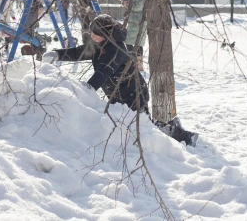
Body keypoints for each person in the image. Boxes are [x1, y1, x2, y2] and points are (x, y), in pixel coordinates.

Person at [41, 14, 197, 147]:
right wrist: (58, 54)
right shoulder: (100, 43)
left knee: (144, 126)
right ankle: (174, 127)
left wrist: (88, 89)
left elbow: (104, 71)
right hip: (116, 94)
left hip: (133, 92)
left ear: (105, 33)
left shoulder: (116, 49)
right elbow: (79, 52)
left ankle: (185, 136)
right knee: (135, 125)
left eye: (95, 32)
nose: (91, 35)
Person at [122, 0, 147, 71]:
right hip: (133, 19)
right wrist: (126, 2)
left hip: (139, 19)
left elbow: (138, 6)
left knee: (138, 42)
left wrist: (128, 4)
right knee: (130, 41)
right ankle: (133, 64)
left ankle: (137, 65)